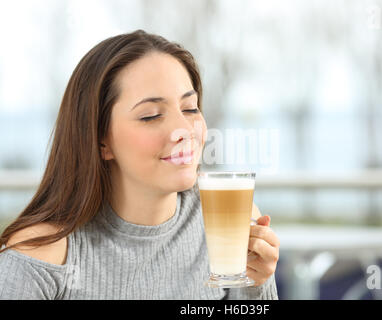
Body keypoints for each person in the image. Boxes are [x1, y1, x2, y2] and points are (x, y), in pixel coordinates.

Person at [0, 30, 280, 299]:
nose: (184, 129)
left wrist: (257, 284)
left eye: (190, 108)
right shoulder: (40, 255)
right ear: (101, 141)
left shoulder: (231, 222)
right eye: (151, 115)